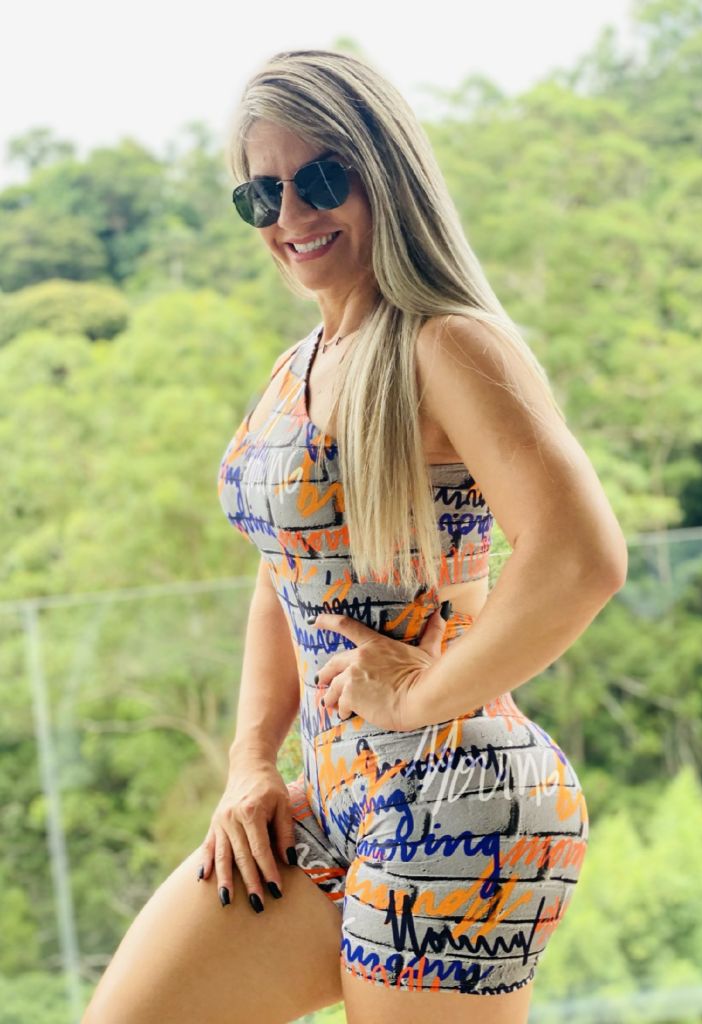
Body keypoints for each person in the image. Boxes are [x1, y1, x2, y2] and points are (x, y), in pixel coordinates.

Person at [83, 48, 627, 1024]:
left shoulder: (445, 343)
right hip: (331, 799)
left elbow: (580, 557)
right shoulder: (300, 364)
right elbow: (280, 574)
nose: (291, 214)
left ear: (385, 171)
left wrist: (418, 696)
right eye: (261, 194)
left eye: (321, 179)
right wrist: (252, 760)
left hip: (460, 804)